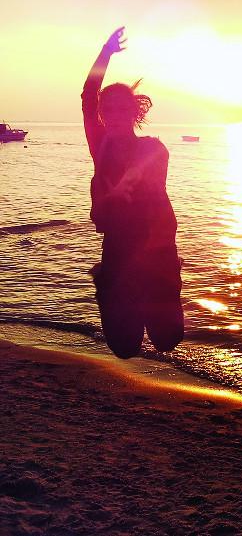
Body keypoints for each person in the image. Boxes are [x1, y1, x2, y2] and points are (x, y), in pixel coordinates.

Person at [82, 27, 184, 358]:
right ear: (101, 114)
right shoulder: (100, 145)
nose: (113, 115)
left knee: (168, 339)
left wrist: (130, 183)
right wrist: (105, 52)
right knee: (124, 347)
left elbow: (153, 177)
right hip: (119, 248)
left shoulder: (153, 148)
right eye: (107, 109)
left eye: (121, 109)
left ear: (133, 112)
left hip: (158, 248)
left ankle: (156, 286)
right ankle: (107, 285)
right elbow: (88, 94)